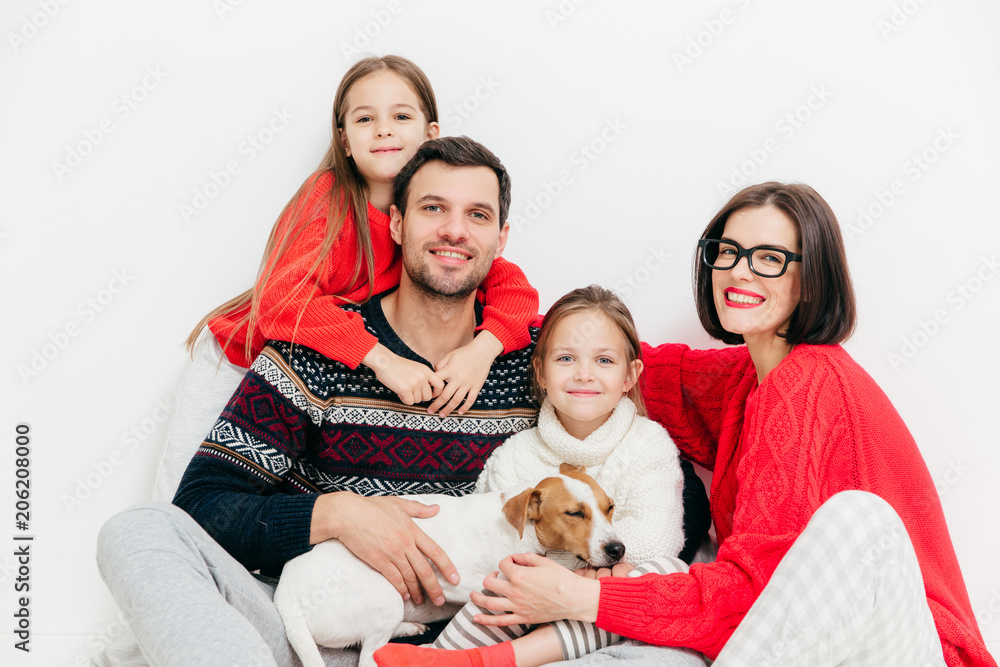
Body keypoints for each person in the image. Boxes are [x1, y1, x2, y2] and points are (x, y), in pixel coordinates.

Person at [422, 182, 997, 667]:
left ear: (811, 275)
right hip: (807, 644)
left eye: (771, 258)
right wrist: (486, 331)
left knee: (857, 518)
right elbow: (595, 350)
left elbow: (750, 594)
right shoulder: (743, 379)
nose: (741, 271)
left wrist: (581, 595)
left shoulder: (810, 382)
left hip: (903, 645)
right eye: (729, 251)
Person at [96, 137, 540, 667]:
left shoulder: (534, 367)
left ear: (501, 237)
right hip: (302, 631)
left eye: (478, 215)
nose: (454, 230)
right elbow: (202, 506)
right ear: (397, 224)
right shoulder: (319, 349)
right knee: (138, 531)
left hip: (471, 646)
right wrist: (336, 515)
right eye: (433, 208)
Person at [153, 55, 538, 500]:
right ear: (345, 139)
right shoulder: (328, 201)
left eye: (400, 115)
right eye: (365, 118)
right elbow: (282, 304)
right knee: (177, 509)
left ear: (432, 134)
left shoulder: (429, 225)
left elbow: (513, 289)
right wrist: (383, 360)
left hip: (308, 370)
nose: (384, 130)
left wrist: (482, 351)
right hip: (240, 355)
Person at [375, 285, 704, 667]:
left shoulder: (649, 444)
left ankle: (487, 660)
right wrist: (547, 579)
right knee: (500, 584)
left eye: (604, 361)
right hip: (524, 607)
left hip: (607, 605)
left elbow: (652, 545)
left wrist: (563, 583)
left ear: (631, 376)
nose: (584, 374)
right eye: (566, 358)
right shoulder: (515, 457)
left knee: (668, 572)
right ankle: (443, 658)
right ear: (541, 372)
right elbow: (498, 553)